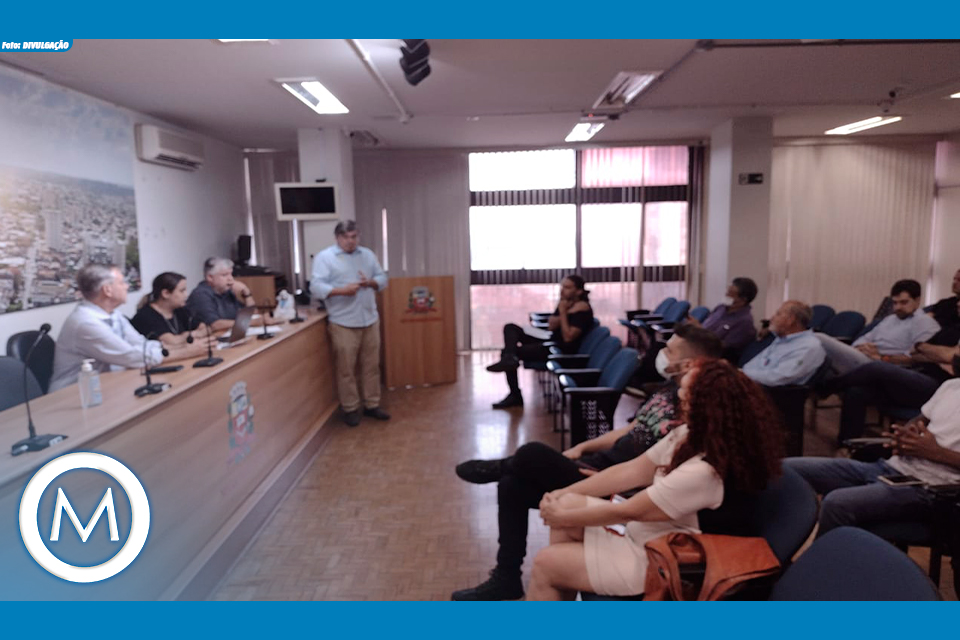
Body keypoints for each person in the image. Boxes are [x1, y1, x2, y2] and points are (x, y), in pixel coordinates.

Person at [450, 325, 723, 600]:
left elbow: (652, 485)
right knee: (511, 487)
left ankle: (502, 466)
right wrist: (583, 447)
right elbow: (633, 431)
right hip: (603, 469)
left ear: (690, 363)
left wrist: (576, 495)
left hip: (619, 490)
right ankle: (506, 577)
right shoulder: (669, 391)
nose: (661, 353)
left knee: (531, 454)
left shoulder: (699, 414)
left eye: (670, 350)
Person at [525, 359, 783, 599]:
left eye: (687, 397)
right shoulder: (690, 435)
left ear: (710, 410)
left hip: (659, 559)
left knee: (546, 562)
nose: (679, 398)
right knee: (566, 503)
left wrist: (561, 517)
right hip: (647, 535)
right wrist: (561, 494)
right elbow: (631, 470)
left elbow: (629, 511)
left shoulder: (705, 472)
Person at [785, 375, 960, 539]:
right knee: (787, 469)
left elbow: (932, 451)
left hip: (933, 490)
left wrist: (935, 452)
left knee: (837, 503)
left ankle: (821, 561)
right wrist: (905, 436)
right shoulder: (951, 386)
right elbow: (919, 420)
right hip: (890, 468)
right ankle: (777, 546)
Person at [49, 264, 207, 392]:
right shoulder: (86, 323)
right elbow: (132, 356)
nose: (126, 286)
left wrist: (182, 347)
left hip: (108, 386)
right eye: (122, 282)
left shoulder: (114, 314)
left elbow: (141, 345)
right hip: (73, 396)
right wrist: (186, 352)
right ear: (107, 290)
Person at [310, 220, 390, 427]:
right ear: (337, 238)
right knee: (346, 369)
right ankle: (350, 408)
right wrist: (341, 291)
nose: (350, 241)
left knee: (372, 366)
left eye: (354, 237)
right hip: (343, 322)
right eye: (345, 237)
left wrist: (371, 283)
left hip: (369, 319)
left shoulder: (367, 255)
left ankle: (372, 404)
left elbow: (382, 278)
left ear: (358, 236)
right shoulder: (325, 258)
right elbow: (316, 287)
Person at [486, 275, 594, 409]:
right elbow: (551, 326)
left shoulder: (583, 309)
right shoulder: (566, 303)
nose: (562, 290)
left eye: (567, 287)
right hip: (550, 339)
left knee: (509, 352)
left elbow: (568, 337)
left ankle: (515, 393)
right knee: (510, 328)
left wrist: (563, 313)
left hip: (559, 350)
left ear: (579, 291)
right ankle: (510, 358)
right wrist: (565, 312)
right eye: (562, 286)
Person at [816, 279, 940, 376]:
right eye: (895, 303)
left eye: (903, 302)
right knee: (817, 353)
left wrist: (880, 356)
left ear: (917, 300)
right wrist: (863, 347)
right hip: (865, 357)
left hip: (883, 365)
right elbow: (863, 339)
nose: (897, 307)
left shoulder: (924, 323)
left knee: (819, 338)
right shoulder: (890, 319)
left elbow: (915, 359)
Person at [742, 300, 826, 387]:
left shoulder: (808, 347)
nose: (772, 318)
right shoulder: (782, 339)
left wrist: (743, 375)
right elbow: (751, 366)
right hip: (754, 385)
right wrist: (741, 375)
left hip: (772, 392)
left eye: (778, 314)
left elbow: (777, 378)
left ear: (790, 320)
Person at [131, 272, 213, 348]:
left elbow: (206, 328)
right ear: (165, 293)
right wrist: (191, 335)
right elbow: (171, 342)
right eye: (182, 291)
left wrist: (187, 336)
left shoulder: (180, 310)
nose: (186, 295)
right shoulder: (145, 316)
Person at [687, 277, 758, 355]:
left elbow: (724, 348)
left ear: (743, 299)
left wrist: (699, 329)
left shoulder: (745, 322)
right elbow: (706, 328)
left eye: (730, 294)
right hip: (697, 344)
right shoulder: (721, 308)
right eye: (727, 292)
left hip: (710, 354)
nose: (726, 295)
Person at [186, 257, 258, 332]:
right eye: (224, 275)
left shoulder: (227, 292)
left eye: (231, 274)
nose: (231, 278)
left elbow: (253, 314)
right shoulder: (200, 295)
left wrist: (246, 293)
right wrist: (252, 322)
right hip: (210, 337)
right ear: (210, 277)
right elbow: (215, 324)